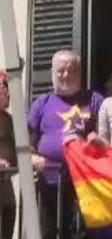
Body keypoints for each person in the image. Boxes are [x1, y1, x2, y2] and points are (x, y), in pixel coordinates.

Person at [27, 50, 103, 239]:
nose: (66, 75)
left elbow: (107, 138)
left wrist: (96, 140)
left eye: (72, 71)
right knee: (49, 232)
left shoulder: (95, 100)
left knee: (85, 233)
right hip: (50, 181)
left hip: (86, 182)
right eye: (61, 71)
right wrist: (32, 157)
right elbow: (24, 141)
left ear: (80, 72)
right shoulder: (41, 103)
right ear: (52, 73)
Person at [0, 70, 16, 239]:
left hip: (6, 190)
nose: (9, 92)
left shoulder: (10, 120)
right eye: (4, 86)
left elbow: (19, 148)